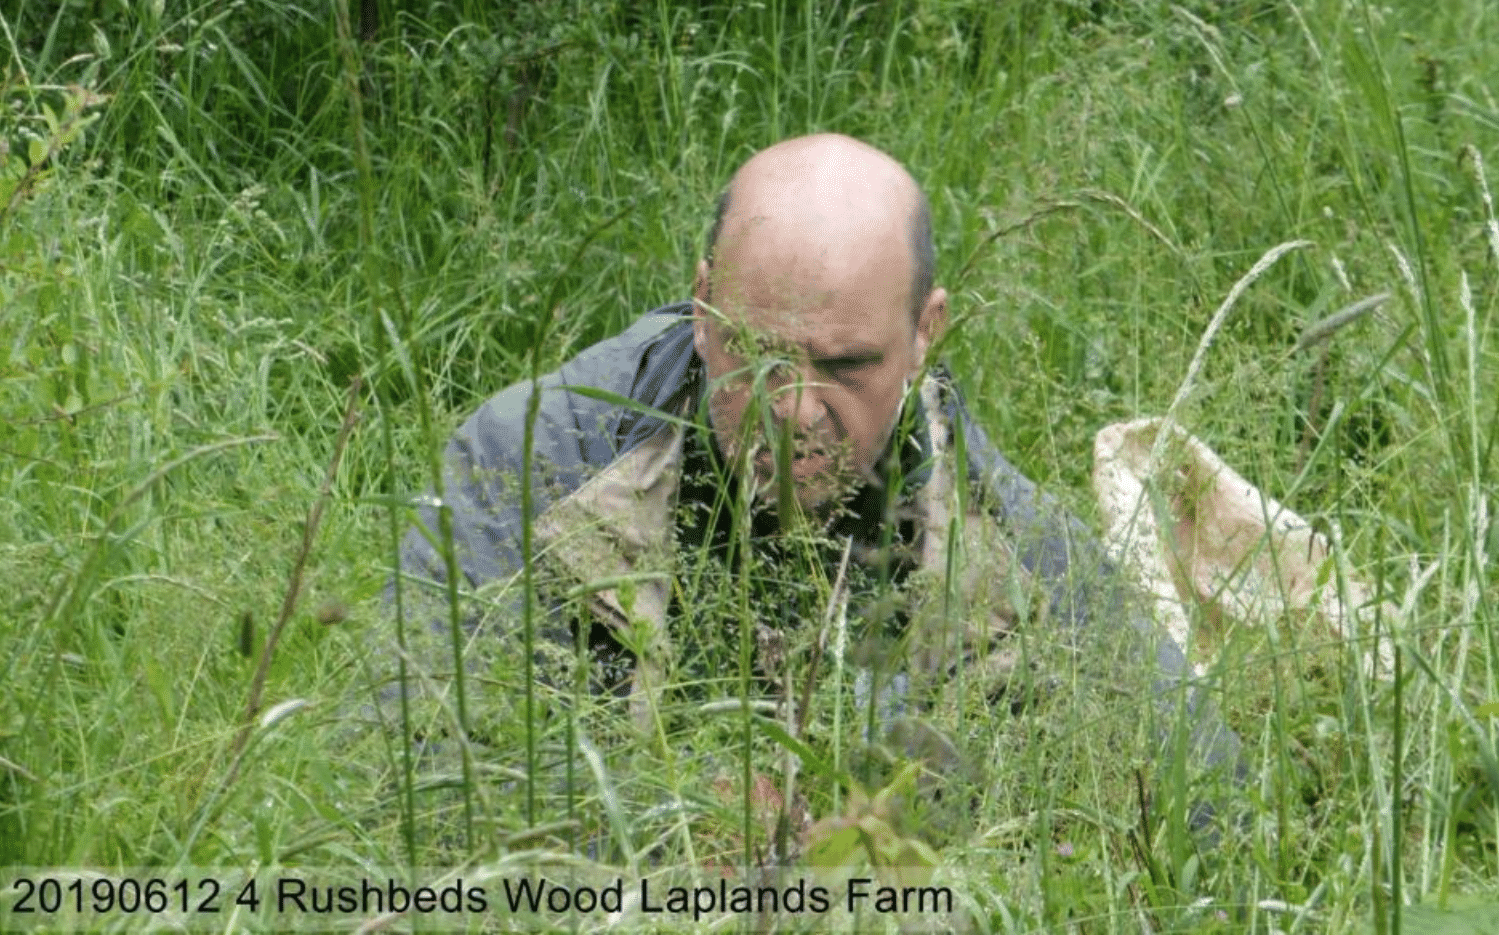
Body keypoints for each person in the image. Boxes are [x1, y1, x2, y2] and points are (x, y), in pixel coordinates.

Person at [392, 133, 1240, 785]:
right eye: (758, 353)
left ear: (925, 333)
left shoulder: (1003, 531)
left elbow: (1206, 788)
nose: (793, 410)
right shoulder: (532, 459)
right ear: (702, 310)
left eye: (846, 366)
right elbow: (415, 771)